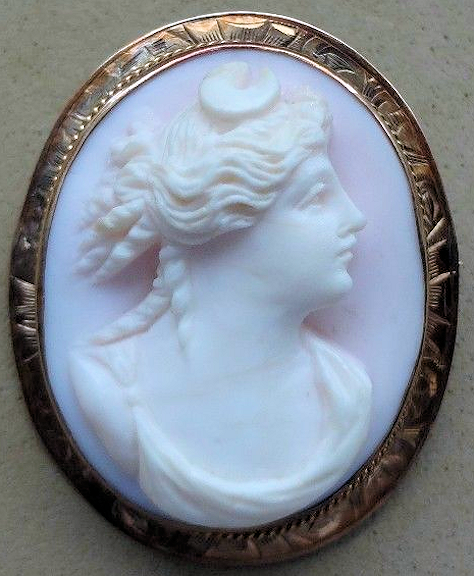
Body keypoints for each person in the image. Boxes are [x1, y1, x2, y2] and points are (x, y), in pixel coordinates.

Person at [70, 61, 372, 528]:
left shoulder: (347, 394)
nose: (355, 217)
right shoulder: (105, 391)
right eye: (315, 197)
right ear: (220, 224)